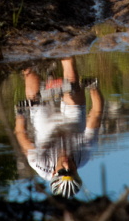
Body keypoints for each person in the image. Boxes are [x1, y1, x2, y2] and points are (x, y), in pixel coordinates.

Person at [14, 57, 104, 199]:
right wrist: (93, 88)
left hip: (46, 127)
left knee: (30, 76)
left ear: (54, 173)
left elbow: (20, 134)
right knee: (72, 83)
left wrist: (21, 113)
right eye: (72, 171)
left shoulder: (40, 165)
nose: (67, 166)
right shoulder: (84, 155)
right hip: (72, 122)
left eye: (63, 172)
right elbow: (96, 114)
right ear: (77, 173)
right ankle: (65, 50)